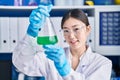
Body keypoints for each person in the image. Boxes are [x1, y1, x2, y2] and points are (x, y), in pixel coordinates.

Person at [12, 3, 112, 80]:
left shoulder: (102, 64)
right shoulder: (52, 58)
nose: (71, 36)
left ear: (88, 29)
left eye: (76, 29)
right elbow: (22, 63)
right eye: (66, 30)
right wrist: (32, 33)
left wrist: (66, 71)